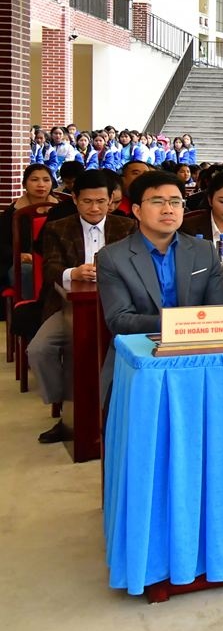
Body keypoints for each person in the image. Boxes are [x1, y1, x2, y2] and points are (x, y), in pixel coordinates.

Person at [97, 171, 223, 401]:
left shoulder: (205, 251)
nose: (168, 209)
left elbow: (217, 312)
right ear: (137, 210)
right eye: (157, 202)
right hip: (140, 359)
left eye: (175, 202)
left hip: (197, 358)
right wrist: (180, 324)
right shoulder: (112, 257)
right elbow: (119, 320)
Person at [29, 170, 135, 443]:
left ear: (111, 200)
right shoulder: (58, 227)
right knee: (40, 349)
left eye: (101, 201)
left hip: (118, 306)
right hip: (69, 307)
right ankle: (67, 409)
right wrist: (72, 272)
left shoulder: (126, 227)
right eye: (87, 201)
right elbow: (51, 267)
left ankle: (115, 414)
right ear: (75, 199)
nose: (95, 208)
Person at [2, 163, 61, 296]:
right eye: (34, 180)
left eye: (46, 180)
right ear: (24, 184)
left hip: (56, 261)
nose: (41, 184)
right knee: (25, 271)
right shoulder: (13, 212)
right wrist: (18, 254)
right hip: (24, 262)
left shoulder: (61, 209)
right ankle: (30, 310)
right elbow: (2, 243)